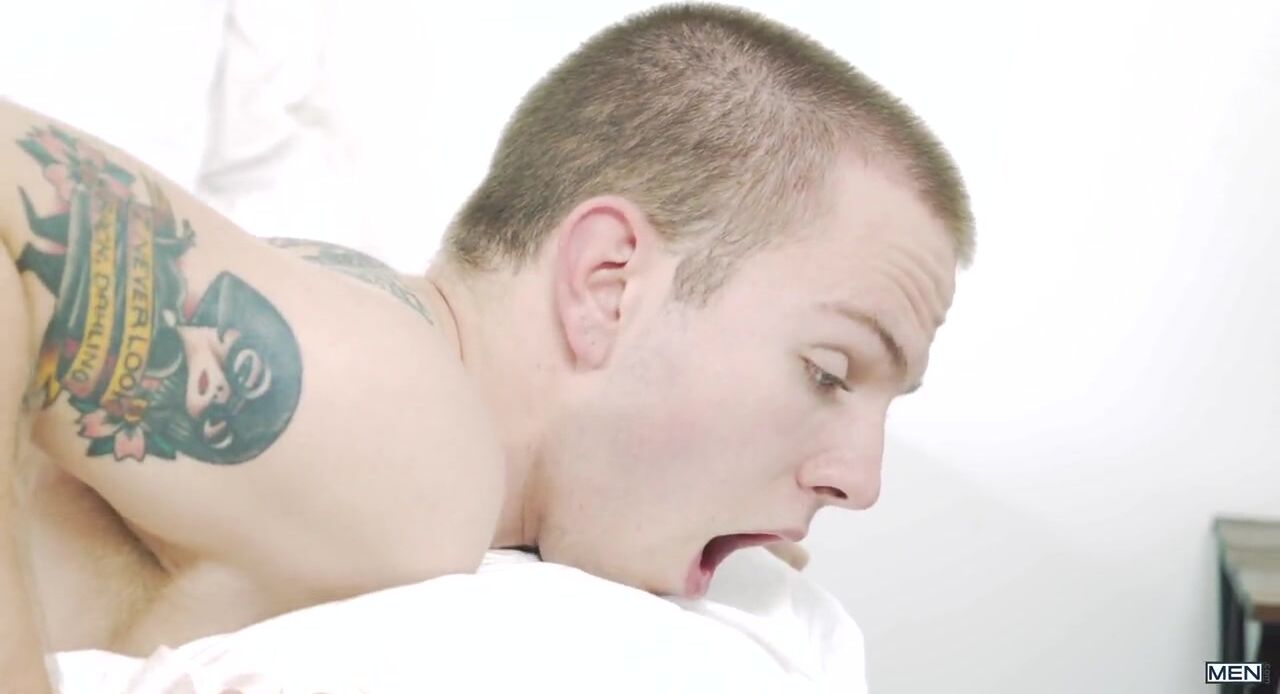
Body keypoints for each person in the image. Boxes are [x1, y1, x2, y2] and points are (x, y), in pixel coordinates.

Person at [0, 3, 974, 691]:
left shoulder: (378, 363)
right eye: (827, 372)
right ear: (608, 285)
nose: (861, 481)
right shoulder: (410, 436)